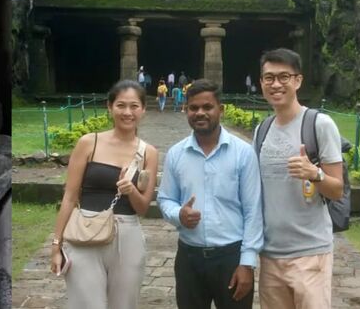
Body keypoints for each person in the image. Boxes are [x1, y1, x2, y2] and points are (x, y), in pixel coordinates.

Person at [49, 80, 159, 309]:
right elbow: (70, 197)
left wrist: (130, 190)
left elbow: (143, 208)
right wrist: (56, 244)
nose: (127, 112)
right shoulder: (89, 143)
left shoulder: (148, 152)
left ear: (143, 110)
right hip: (85, 233)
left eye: (134, 106)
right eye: (121, 105)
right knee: (86, 304)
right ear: (109, 107)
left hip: (127, 236)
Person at [158, 79, 264, 309]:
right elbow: (165, 198)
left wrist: (247, 263)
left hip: (231, 257)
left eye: (207, 107)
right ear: (186, 110)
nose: (200, 113)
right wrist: (179, 214)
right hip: (189, 258)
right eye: (193, 107)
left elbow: (253, 210)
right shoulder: (176, 154)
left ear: (220, 109)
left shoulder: (243, 153)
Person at [254, 48, 344, 309]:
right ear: (261, 82)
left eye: (284, 76)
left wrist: (314, 174)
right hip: (270, 255)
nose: (276, 84)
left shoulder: (319, 124)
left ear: (298, 80)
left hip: (310, 253)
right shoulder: (262, 130)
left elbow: (337, 189)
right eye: (269, 78)